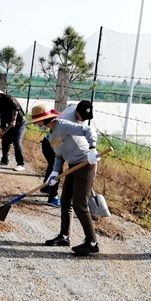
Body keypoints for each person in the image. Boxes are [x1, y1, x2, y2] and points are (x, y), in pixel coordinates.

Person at [27, 102, 100, 256]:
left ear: (43, 120)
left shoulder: (63, 125)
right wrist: (54, 172)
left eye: (36, 121)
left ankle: (92, 242)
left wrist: (92, 148)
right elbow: (59, 155)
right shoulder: (51, 133)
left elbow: (88, 130)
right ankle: (64, 236)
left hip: (86, 163)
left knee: (80, 204)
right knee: (65, 201)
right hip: (73, 165)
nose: (36, 124)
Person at [40, 101, 93, 208]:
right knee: (56, 169)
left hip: (57, 142)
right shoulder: (65, 122)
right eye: (82, 117)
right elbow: (60, 148)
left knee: (53, 168)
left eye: (86, 118)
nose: (83, 120)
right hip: (53, 144)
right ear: (77, 112)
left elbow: (69, 105)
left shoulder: (74, 107)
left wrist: (91, 149)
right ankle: (52, 197)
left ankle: (46, 187)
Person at [0, 85, 26, 171]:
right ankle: (4, 161)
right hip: (10, 124)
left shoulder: (9, 98)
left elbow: (16, 108)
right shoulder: (0, 103)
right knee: (5, 140)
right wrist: (2, 128)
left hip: (19, 122)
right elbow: (2, 117)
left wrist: (14, 119)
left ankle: (21, 164)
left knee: (16, 141)